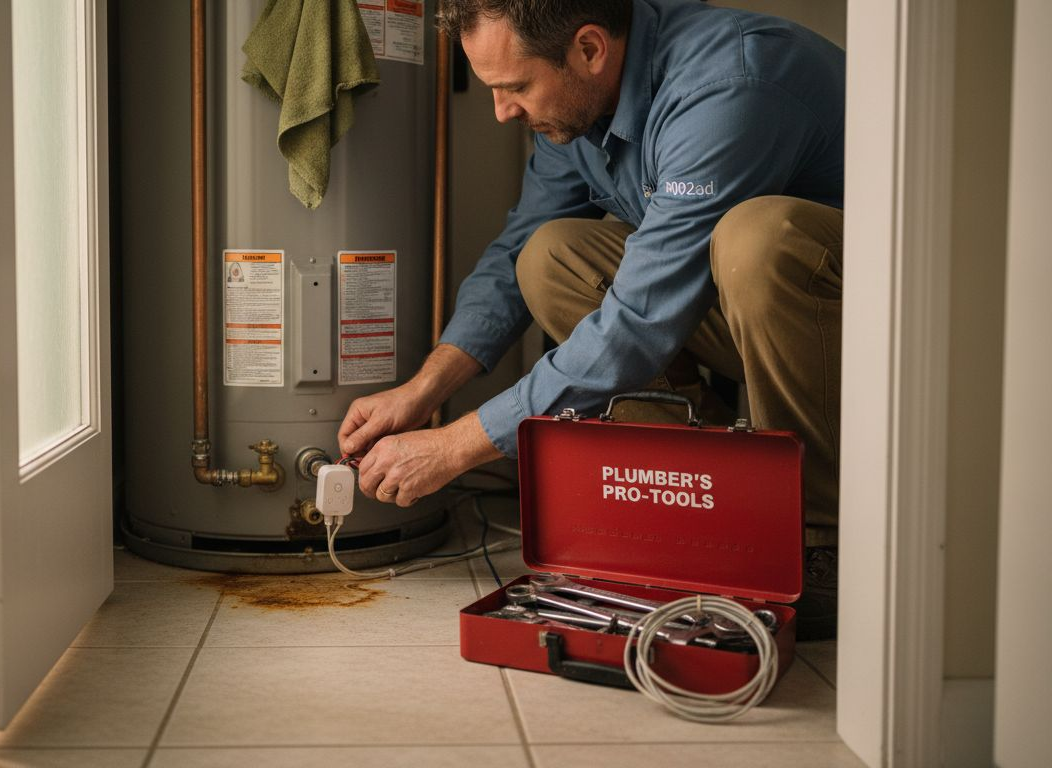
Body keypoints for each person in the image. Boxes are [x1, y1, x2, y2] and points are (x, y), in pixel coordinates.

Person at [337, 0, 844, 639]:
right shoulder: (580, 110)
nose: (501, 111)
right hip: (750, 321)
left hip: (867, 328)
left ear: (589, 49)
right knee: (550, 255)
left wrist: (456, 444)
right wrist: (423, 390)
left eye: (515, 86)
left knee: (758, 238)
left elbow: (638, 322)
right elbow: (514, 255)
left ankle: (820, 540)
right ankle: (696, 485)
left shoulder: (728, 86)